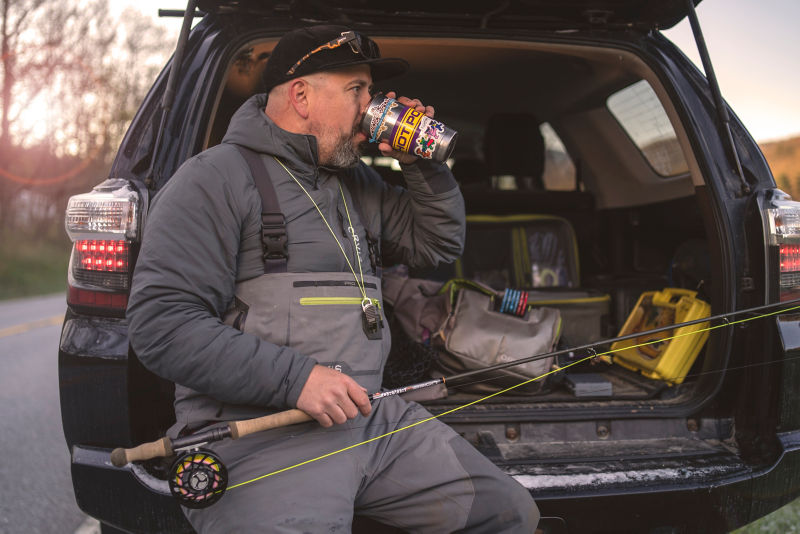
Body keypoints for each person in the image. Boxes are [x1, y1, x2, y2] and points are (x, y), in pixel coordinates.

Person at [127, 25, 539, 533]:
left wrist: (420, 163)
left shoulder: (356, 182)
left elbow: (437, 246)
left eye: (370, 91)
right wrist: (296, 380)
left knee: (507, 514)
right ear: (301, 95)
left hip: (368, 422)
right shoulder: (213, 179)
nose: (371, 105)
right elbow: (162, 326)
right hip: (257, 435)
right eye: (356, 91)